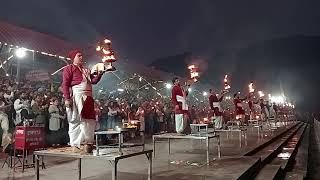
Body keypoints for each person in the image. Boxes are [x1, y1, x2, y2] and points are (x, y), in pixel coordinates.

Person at [62, 49, 104, 153]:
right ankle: (75, 145)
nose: (81, 57)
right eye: (79, 56)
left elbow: (93, 81)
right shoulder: (69, 68)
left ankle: (87, 143)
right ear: (73, 58)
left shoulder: (86, 70)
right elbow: (65, 84)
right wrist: (67, 98)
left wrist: (100, 74)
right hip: (77, 96)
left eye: (82, 56)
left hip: (88, 98)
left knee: (89, 120)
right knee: (75, 120)